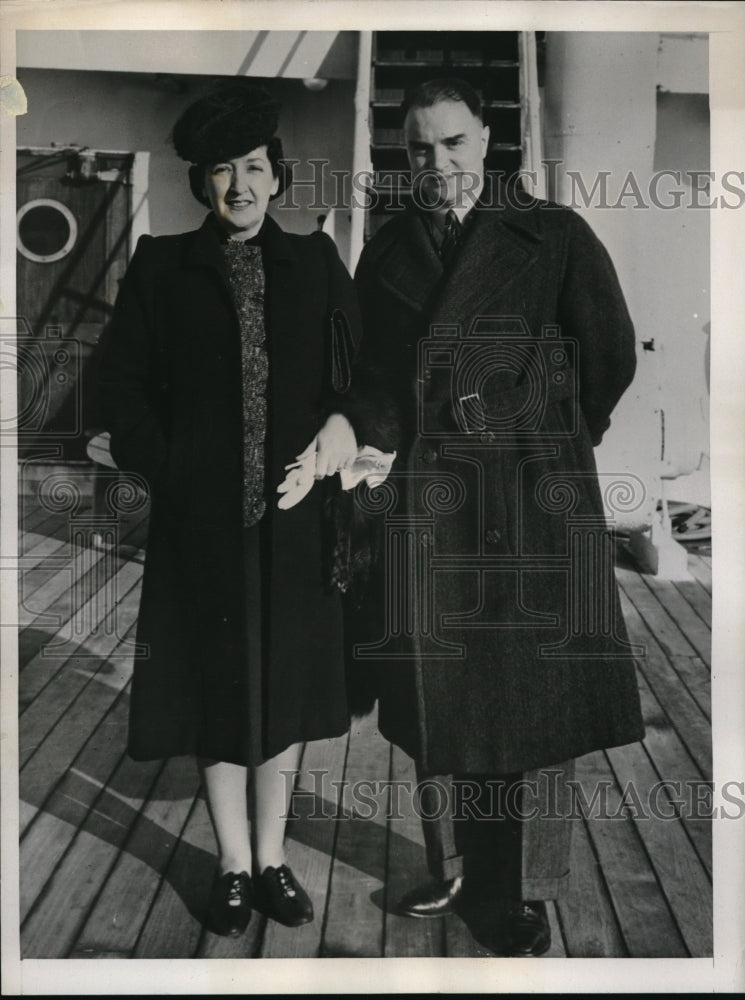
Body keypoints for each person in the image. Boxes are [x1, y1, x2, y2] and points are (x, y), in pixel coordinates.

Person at [345, 78, 645, 956]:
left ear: (488, 139)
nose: (438, 165)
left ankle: (518, 888)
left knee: (523, 705)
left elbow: (609, 352)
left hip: (525, 499)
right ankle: (458, 870)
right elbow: (372, 376)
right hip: (431, 503)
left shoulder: (551, 236)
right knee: (436, 698)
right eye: (420, 150)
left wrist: (546, 443)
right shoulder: (388, 248)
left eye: (455, 144)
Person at [98, 81, 359, 937]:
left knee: (279, 694)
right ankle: (234, 866)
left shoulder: (316, 264)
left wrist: (338, 425)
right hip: (200, 528)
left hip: (292, 525)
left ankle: (275, 855)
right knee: (217, 694)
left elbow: (361, 379)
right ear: (201, 185)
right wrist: (171, 470)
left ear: (278, 179)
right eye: (221, 171)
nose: (240, 186)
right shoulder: (161, 266)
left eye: (254, 168)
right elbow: (119, 386)